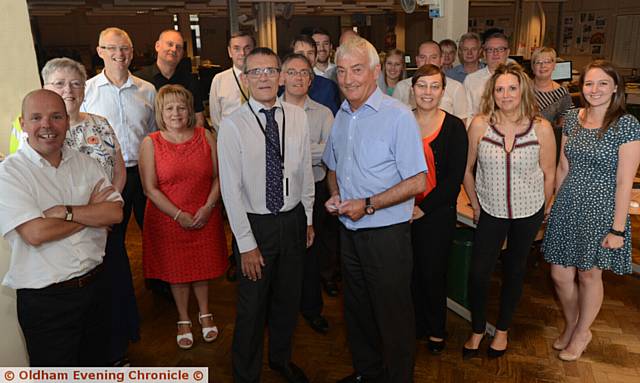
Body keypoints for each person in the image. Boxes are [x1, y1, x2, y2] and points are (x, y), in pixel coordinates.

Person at [323, 36, 427, 383]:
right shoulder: (342, 114)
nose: (349, 79)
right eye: (341, 72)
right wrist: (336, 195)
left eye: (356, 70)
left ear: (375, 71)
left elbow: (417, 181)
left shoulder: (397, 117)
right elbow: (333, 165)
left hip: (386, 236)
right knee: (357, 312)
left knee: (393, 317)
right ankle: (367, 373)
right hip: (349, 234)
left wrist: (367, 205)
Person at [0, 89, 123, 366]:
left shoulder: (87, 164)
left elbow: (114, 212)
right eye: (36, 117)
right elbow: (36, 233)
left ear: (67, 122)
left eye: (56, 116)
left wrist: (65, 213)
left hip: (96, 288)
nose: (47, 125)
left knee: (96, 369)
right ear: (23, 123)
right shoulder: (9, 174)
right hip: (46, 302)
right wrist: (89, 213)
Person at [218, 47, 315, 383]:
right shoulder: (233, 125)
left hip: (292, 221)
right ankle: (245, 374)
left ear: (281, 76)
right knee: (252, 308)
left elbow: (303, 171)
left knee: (288, 300)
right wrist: (245, 244)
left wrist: (310, 218)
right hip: (255, 225)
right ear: (245, 79)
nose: (264, 78)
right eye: (255, 72)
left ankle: (280, 360)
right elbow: (231, 191)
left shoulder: (298, 117)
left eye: (270, 70)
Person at [41, 57, 138, 366]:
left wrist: (108, 213)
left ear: (85, 88)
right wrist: (85, 219)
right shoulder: (39, 132)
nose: (68, 90)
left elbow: (119, 171)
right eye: (59, 83)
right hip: (67, 235)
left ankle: (115, 352)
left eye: (75, 83)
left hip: (108, 227)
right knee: (82, 300)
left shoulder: (100, 123)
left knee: (112, 290)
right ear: (45, 88)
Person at [542, 60, 640, 361]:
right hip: (569, 202)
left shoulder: (626, 125)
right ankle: (573, 324)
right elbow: (562, 165)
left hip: (602, 208)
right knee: (559, 273)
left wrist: (618, 229)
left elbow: (625, 181)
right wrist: (554, 203)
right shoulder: (572, 118)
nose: (594, 89)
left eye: (602, 83)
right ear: (580, 87)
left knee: (588, 275)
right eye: (588, 83)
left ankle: (583, 332)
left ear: (615, 88)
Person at [462, 62, 556, 359]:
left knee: (515, 271)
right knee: (479, 273)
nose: (506, 95)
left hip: (528, 212)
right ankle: (478, 328)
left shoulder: (541, 127)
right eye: (500, 89)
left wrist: (544, 208)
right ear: (493, 92)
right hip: (490, 210)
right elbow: (467, 169)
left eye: (512, 88)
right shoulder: (479, 124)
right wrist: (475, 204)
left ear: (522, 90)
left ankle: (502, 330)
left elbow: (550, 172)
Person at [139, 84, 227, 350]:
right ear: (160, 112)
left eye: (181, 107)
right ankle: (183, 317)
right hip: (168, 219)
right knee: (177, 273)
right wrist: (179, 215)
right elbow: (149, 189)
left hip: (204, 214)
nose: (175, 113)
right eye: (169, 108)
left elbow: (219, 176)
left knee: (202, 268)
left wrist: (208, 207)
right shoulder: (150, 142)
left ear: (190, 110)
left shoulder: (206, 136)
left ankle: (204, 311)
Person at [409, 64, 468, 354]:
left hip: (437, 213)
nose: (427, 92)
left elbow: (454, 179)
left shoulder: (455, 127)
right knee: (410, 273)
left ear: (443, 91)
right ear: (413, 89)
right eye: (422, 86)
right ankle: (416, 324)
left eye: (434, 86)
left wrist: (424, 209)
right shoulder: (402, 122)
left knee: (433, 273)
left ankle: (436, 330)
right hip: (402, 211)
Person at [82, 27, 156, 244]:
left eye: (124, 48)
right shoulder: (87, 91)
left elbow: (153, 134)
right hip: (108, 175)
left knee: (153, 233)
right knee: (112, 235)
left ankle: (156, 279)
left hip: (144, 173)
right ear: (99, 51)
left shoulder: (148, 90)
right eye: (111, 48)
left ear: (132, 52)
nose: (119, 54)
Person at [279, 53, 335, 334]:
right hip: (279, 194)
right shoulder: (270, 111)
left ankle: (312, 309)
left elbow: (330, 152)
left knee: (312, 254)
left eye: (304, 73)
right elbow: (272, 156)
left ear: (311, 80)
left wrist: (293, 153)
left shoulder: (324, 113)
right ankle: (282, 312)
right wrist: (311, 150)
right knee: (282, 255)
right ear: (281, 77)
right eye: (292, 72)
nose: (298, 78)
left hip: (317, 190)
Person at [136, 29, 207, 128]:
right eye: (170, 44)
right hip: (150, 140)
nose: (174, 49)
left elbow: (198, 118)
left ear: (182, 53)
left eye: (179, 47)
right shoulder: (139, 80)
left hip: (183, 140)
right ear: (157, 46)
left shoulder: (190, 81)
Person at [393, 40, 469, 122]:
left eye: (433, 57)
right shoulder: (401, 87)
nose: (427, 62)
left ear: (441, 60)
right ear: (417, 60)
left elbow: (461, 124)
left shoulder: (456, 88)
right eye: (422, 57)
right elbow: (393, 120)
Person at [530, 47, 573, 159]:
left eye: (547, 62)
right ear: (532, 67)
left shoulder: (562, 93)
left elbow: (567, 123)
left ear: (554, 65)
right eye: (538, 62)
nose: (543, 66)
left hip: (549, 146)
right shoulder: (522, 88)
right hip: (523, 143)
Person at [208, 31, 255, 131]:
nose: (242, 53)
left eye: (247, 48)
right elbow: (215, 118)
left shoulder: (263, 78)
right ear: (230, 52)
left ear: (254, 51)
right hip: (229, 138)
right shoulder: (219, 80)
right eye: (236, 48)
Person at [291, 34, 341, 115]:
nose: (305, 57)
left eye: (310, 53)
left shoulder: (328, 87)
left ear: (316, 57)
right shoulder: (283, 87)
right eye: (300, 53)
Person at [464, 32, 510, 118]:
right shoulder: (471, 80)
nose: (495, 53)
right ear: (484, 54)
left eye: (500, 49)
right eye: (490, 49)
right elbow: (467, 114)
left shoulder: (518, 79)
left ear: (507, 53)